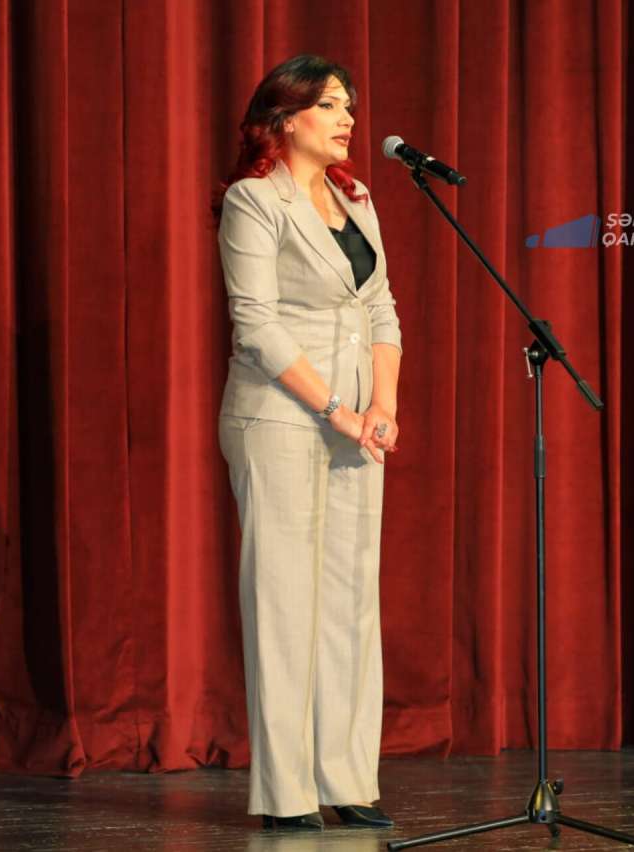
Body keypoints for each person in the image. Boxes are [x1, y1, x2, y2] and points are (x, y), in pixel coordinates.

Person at [213, 55, 402, 832]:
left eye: (348, 104)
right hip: (281, 420)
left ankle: (349, 778)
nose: (347, 118)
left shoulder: (357, 200)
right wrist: (334, 407)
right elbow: (255, 325)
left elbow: (381, 308)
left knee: (351, 599)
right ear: (285, 118)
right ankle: (288, 793)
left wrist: (382, 404)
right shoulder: (254, 201)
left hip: (358, 424)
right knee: (285, 602)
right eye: (329, 105)